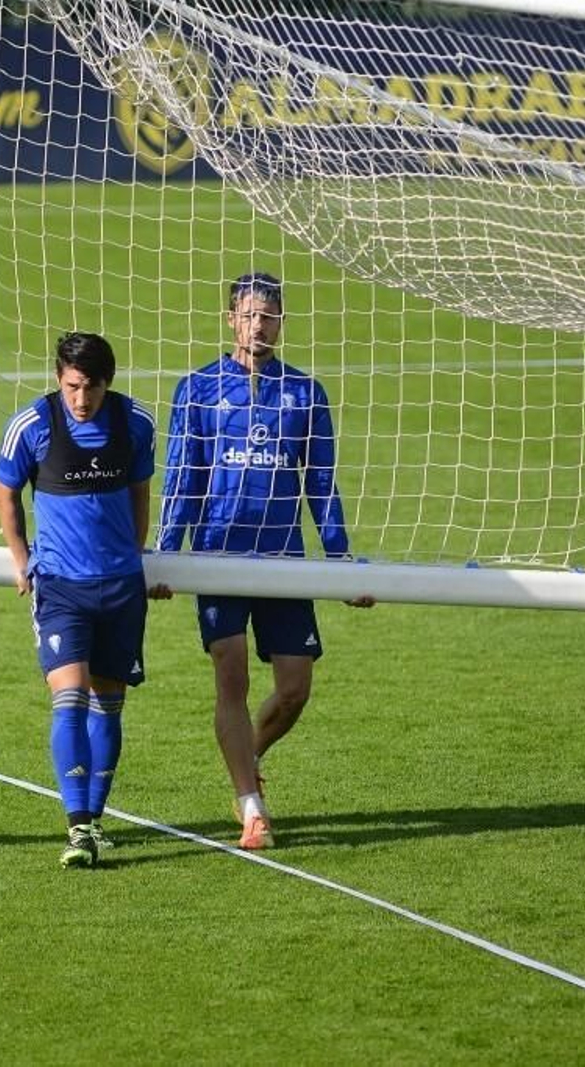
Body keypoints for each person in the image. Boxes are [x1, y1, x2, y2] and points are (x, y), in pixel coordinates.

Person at [158, 271, 374, 851]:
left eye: (270, 316)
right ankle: (251, 806)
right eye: (250, 315)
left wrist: (341, 562)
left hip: (284, 560)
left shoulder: (305, 394)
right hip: (218, 559)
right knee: (230, 672)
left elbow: (322, 485)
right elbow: (183, 477)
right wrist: (165, 557)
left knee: (296, 688)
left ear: (282, 321)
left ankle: (244, 757)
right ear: (231, 319)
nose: (260, 325)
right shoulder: (198, 389)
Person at [0, 331, 164, 868]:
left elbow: (140, 490)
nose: (80, 399)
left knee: (110, 703)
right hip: (62, 586)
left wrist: (133, 553)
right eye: (71, 386)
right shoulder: (33, 425)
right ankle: (76, 826)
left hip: (119, 586)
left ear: (107, 383)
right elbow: (6, 490)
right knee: (68, 695)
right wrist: (21, 556)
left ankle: (93, 820)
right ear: (58, 379)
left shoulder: (135, 423)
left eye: (90, 387)